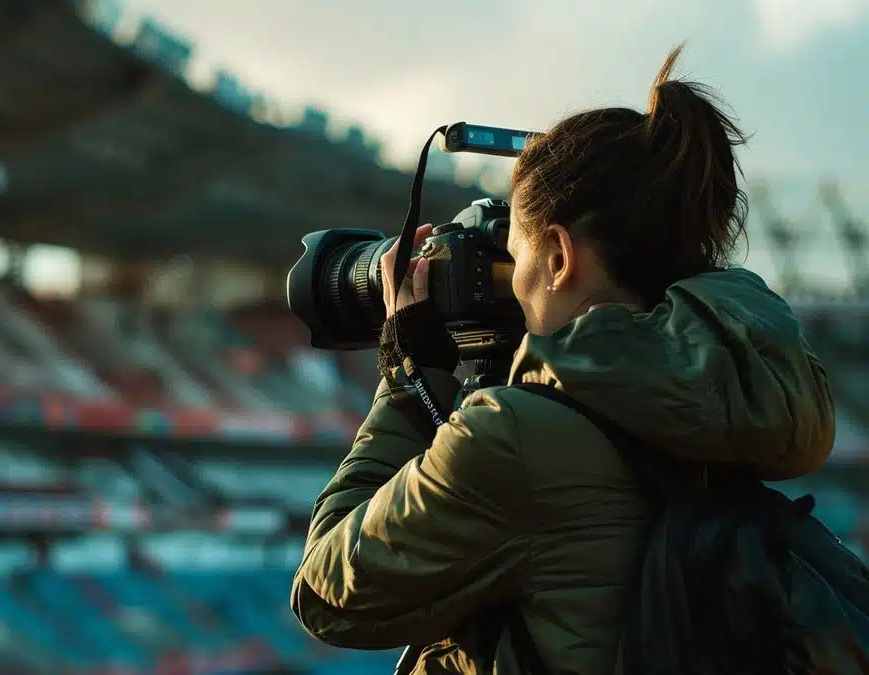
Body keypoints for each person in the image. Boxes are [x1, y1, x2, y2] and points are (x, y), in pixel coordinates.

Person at [290, 45, 835, 674]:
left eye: (514, 255)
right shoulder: (738, 392)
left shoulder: (518, 436)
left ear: (558, 256)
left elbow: (327, 594)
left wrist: (406, 377)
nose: (511, 285)